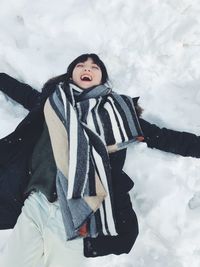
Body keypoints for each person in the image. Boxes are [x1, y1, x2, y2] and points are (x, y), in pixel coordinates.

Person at [0, 53, 200, 267]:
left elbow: (165, 137)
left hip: (77, 215)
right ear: (71, 75)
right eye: (80, 65)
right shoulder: (52, 103)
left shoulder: (118, 117)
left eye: (95, 67)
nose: (87, 69)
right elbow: (23, 93)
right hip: (36, 202)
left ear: (102, 78)